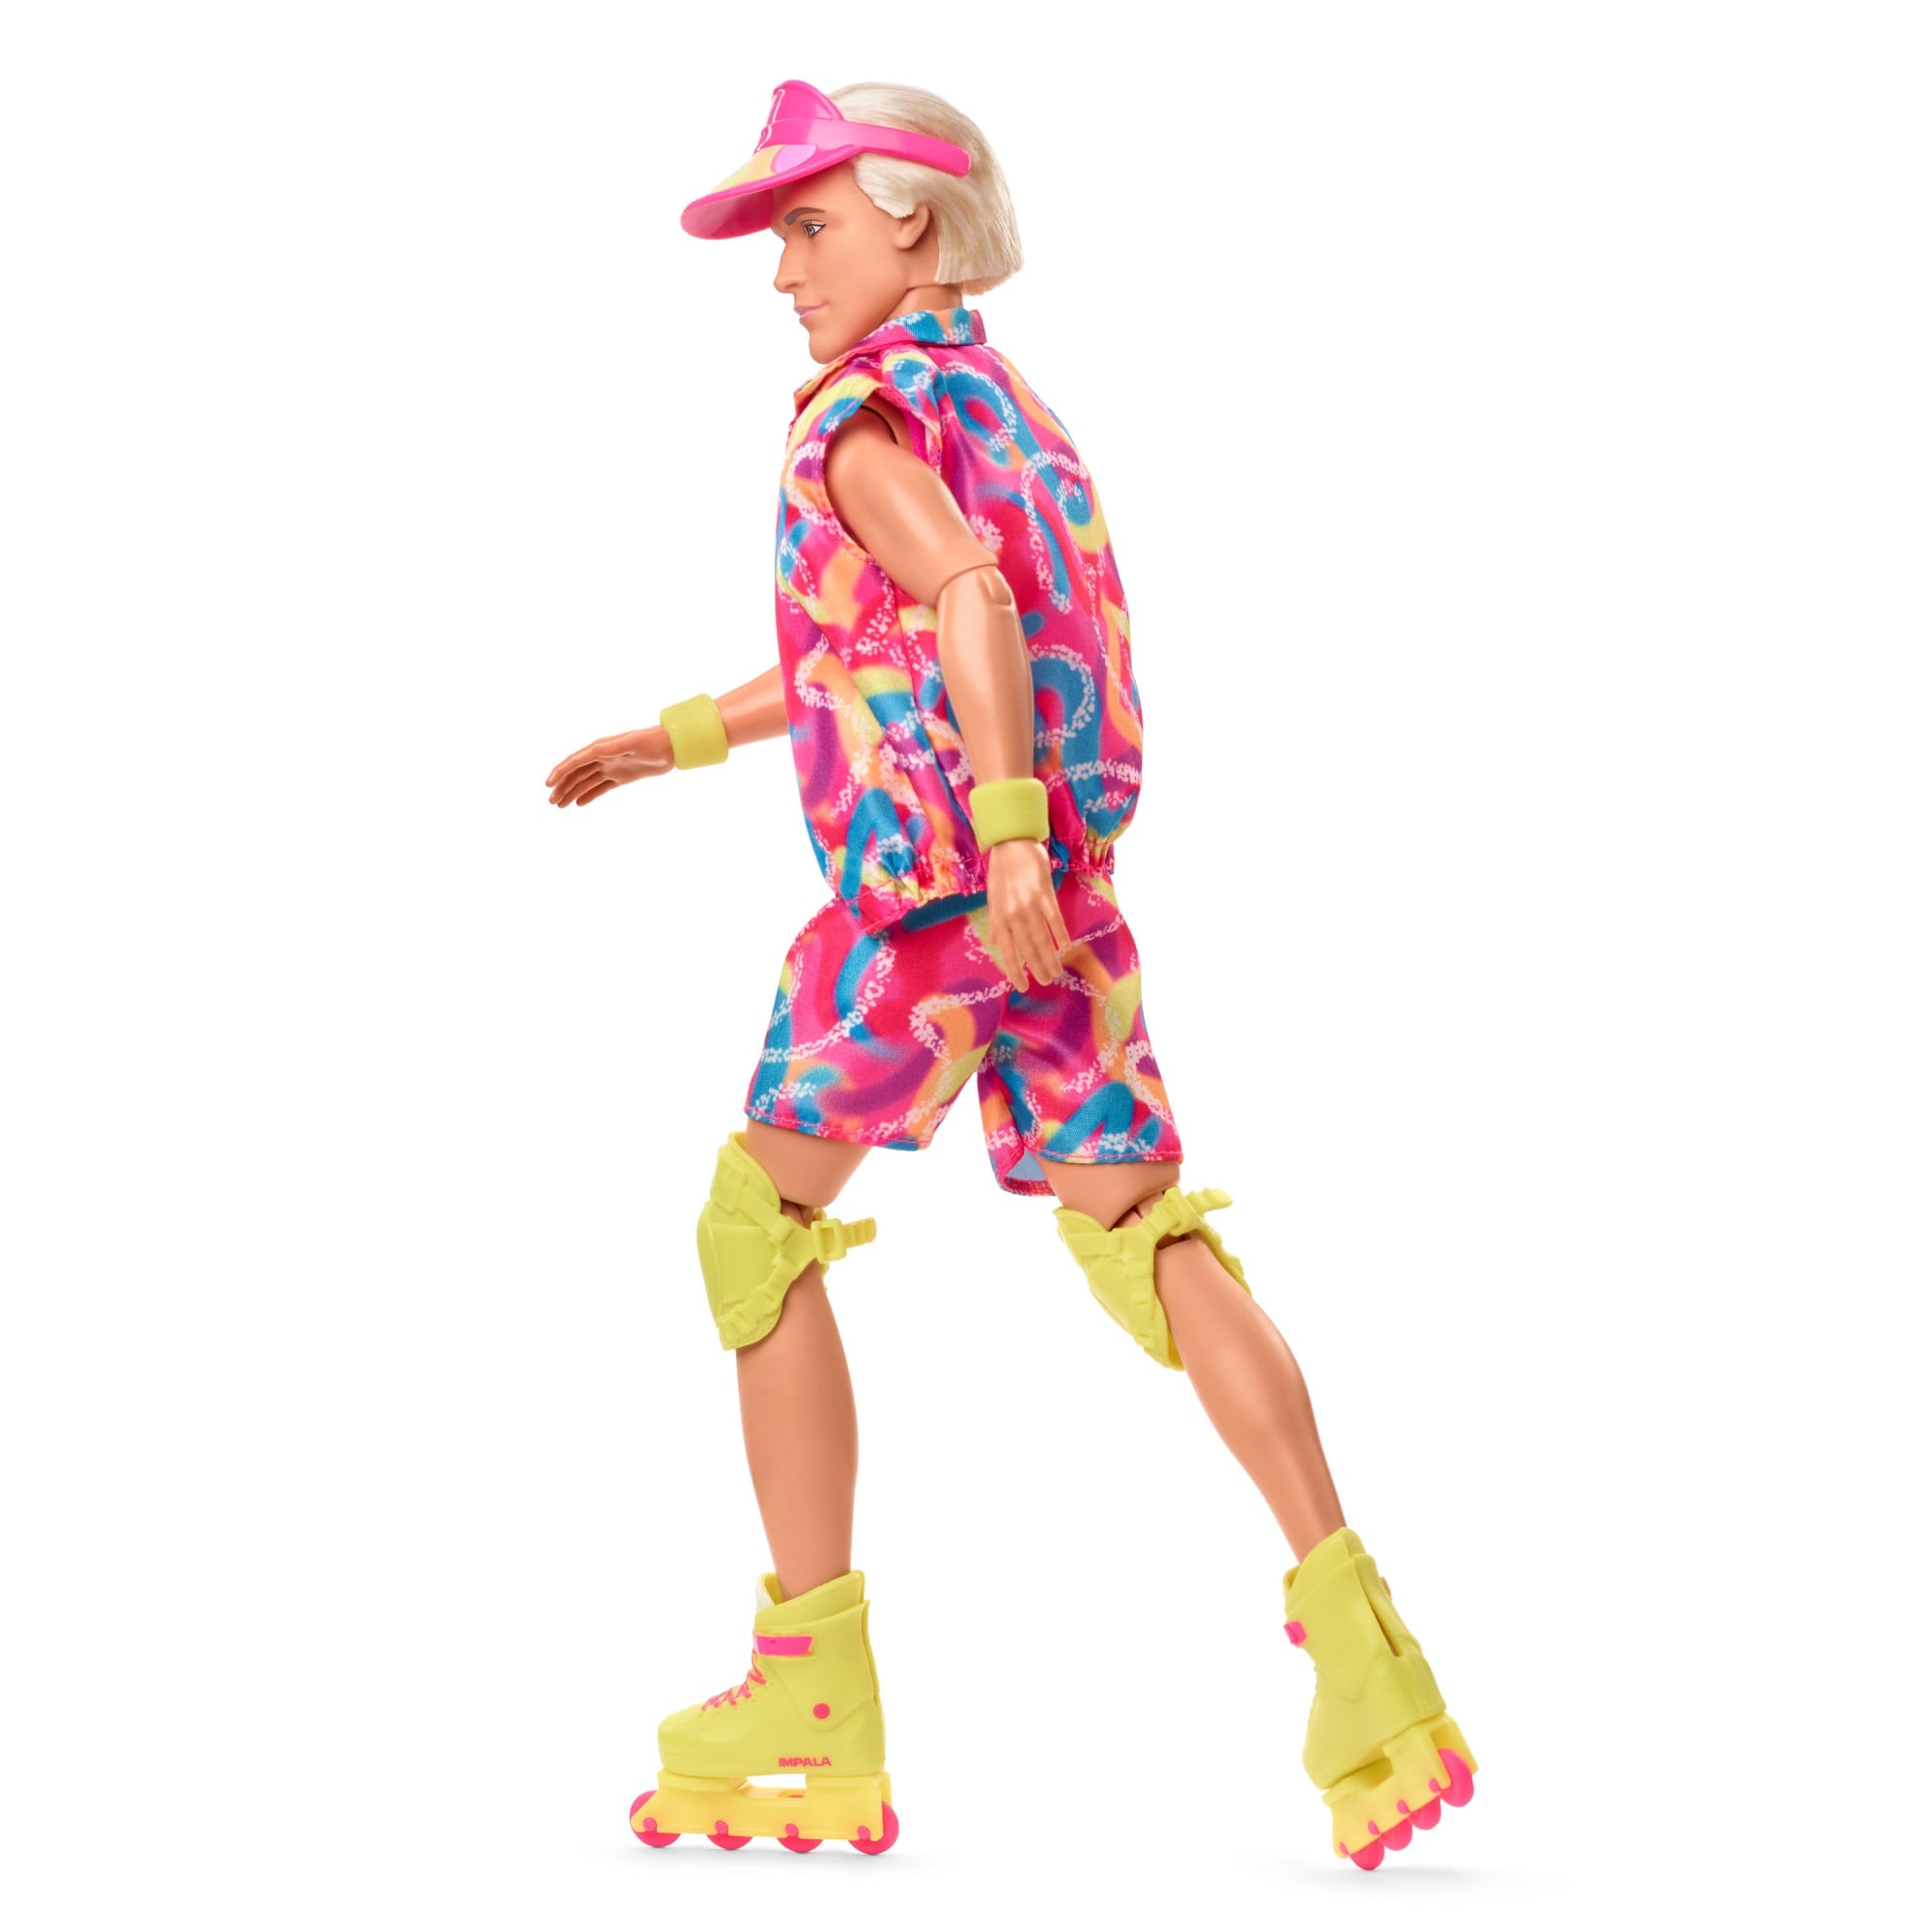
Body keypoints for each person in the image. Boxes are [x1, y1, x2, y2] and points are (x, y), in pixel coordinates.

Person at [545, 77, 1475, 1869]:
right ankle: (1366, 1653)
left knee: (754, 1226)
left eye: (809, 226)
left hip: (935, 903)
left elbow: (961, 597)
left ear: (911, 217)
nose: (785, 273)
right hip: (1062, 909)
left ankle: (809, 1688)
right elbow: (885, 635)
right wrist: (680, 736)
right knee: (1149, 1234)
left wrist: (1001, 831)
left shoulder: (861, 418)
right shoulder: (1001, 402)